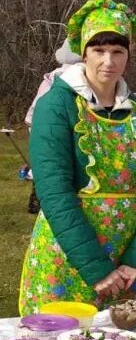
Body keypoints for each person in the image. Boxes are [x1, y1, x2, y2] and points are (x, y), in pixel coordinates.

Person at [19, 0, 136, 315]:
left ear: (128, 55)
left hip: (125, 265)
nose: (108, 62)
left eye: (118, 51)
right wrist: (96, 267)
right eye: (98, 51)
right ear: (83, 53)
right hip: (68, 257)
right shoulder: (57, 106)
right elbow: (54, 191)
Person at [24, 38, 83, 214]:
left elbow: (31, 116)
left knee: (47, 174)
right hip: (63, 138)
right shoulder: (60, 81)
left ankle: (39, 203)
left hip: (45, 139)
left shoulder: (49, 79)